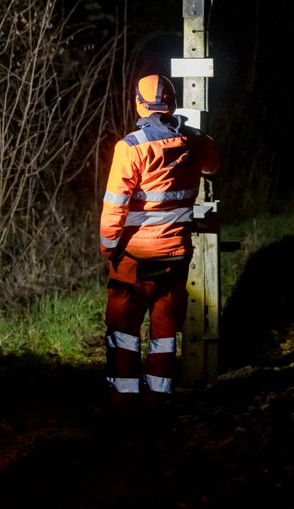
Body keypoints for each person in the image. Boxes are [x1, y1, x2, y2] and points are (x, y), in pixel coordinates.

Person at [98, 74, 219, 424]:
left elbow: (115, 206)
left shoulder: (130, 147)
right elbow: (214, 164)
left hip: (135, 257)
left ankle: (123, 404)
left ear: (138, 104)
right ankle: (158, 402)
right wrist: (192, 134)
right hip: (177, 254)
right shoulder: (195, 142)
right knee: (165, 330)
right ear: (173, 103)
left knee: (124, 328)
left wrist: (109, 248)